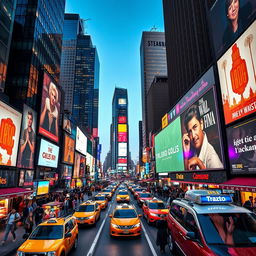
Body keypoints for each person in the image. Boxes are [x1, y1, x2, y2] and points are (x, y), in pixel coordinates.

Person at [182, 105, 223, 170]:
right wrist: (186, 153)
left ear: (201, 124)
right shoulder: (194, 151)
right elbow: (187, 177)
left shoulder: (212, 158)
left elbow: (220, 179)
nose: (193, 135)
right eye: (190, 131)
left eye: (195, 127)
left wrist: (199, 163)